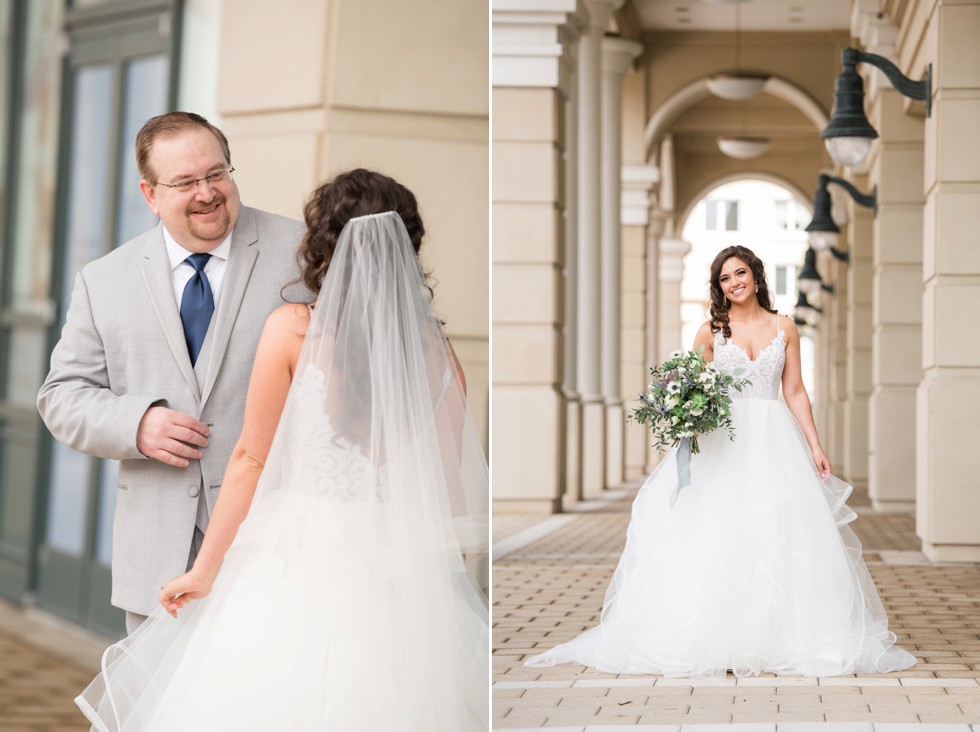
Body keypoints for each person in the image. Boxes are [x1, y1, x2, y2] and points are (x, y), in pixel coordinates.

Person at [74, 169, 490, 731]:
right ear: (407, 243)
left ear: (321, 246)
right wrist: (433, 591)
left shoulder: (295, 330)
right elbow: (446, 489)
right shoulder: (439, 353)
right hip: (397, 571)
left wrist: (204, 571)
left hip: (294, 563)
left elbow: (250, 459)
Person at [526, 245, 915, 678]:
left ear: (756, 275)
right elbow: (692, 386)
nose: (734, 282)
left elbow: (795, 391)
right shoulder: (711, 332)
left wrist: (816, 446)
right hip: (723, 443)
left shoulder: (785, 327)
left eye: (740, 273)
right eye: (725, 278)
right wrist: (682, 417)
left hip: (774, 441)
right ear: (719, 287)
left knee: (777, 533)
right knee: (722, 533)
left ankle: (774, 637)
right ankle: (722, 640)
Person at [37, 112, 307, 634]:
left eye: (216, 174)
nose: (207, 193)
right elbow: (61, 396)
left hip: (279, 545)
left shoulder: (303, 253)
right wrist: (135, 424)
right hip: (158, 564)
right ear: (150, 193)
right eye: (185, 182)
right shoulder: (103, 280)